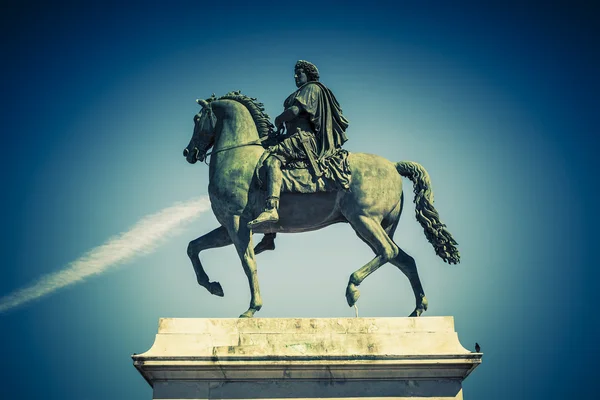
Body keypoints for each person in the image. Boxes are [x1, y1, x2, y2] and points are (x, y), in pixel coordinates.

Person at [248, 60, 349, 229]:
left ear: (308, 74)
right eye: (295, 73)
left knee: (272, 160)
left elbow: (295, 111)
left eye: (299, 73)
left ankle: (272, 208)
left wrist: (279, 118)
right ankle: (269, 235)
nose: (296, 76)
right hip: (293, 137)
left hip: (302, 139)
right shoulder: (303, 90)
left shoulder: (311, 88)